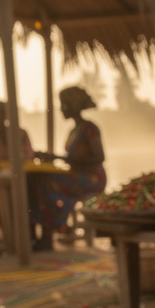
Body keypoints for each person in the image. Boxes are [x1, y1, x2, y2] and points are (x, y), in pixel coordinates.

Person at [28, 85, 106, 251]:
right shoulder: (74, 130)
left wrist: (58, 158)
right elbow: (71, 160)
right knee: (37, 181)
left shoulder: (89, 128)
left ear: (74, 106)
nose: (61, 109)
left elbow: (99, 157)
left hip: (92, 179)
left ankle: (49, 235)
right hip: (77, 175)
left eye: (64, 105)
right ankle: (44, 232)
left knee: (46, 185)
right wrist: (54, 158)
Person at [0, 100, 33, 241]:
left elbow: (28, 156)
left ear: (5, 115)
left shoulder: (20, 134)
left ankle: (17, 235)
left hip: (21, 178)